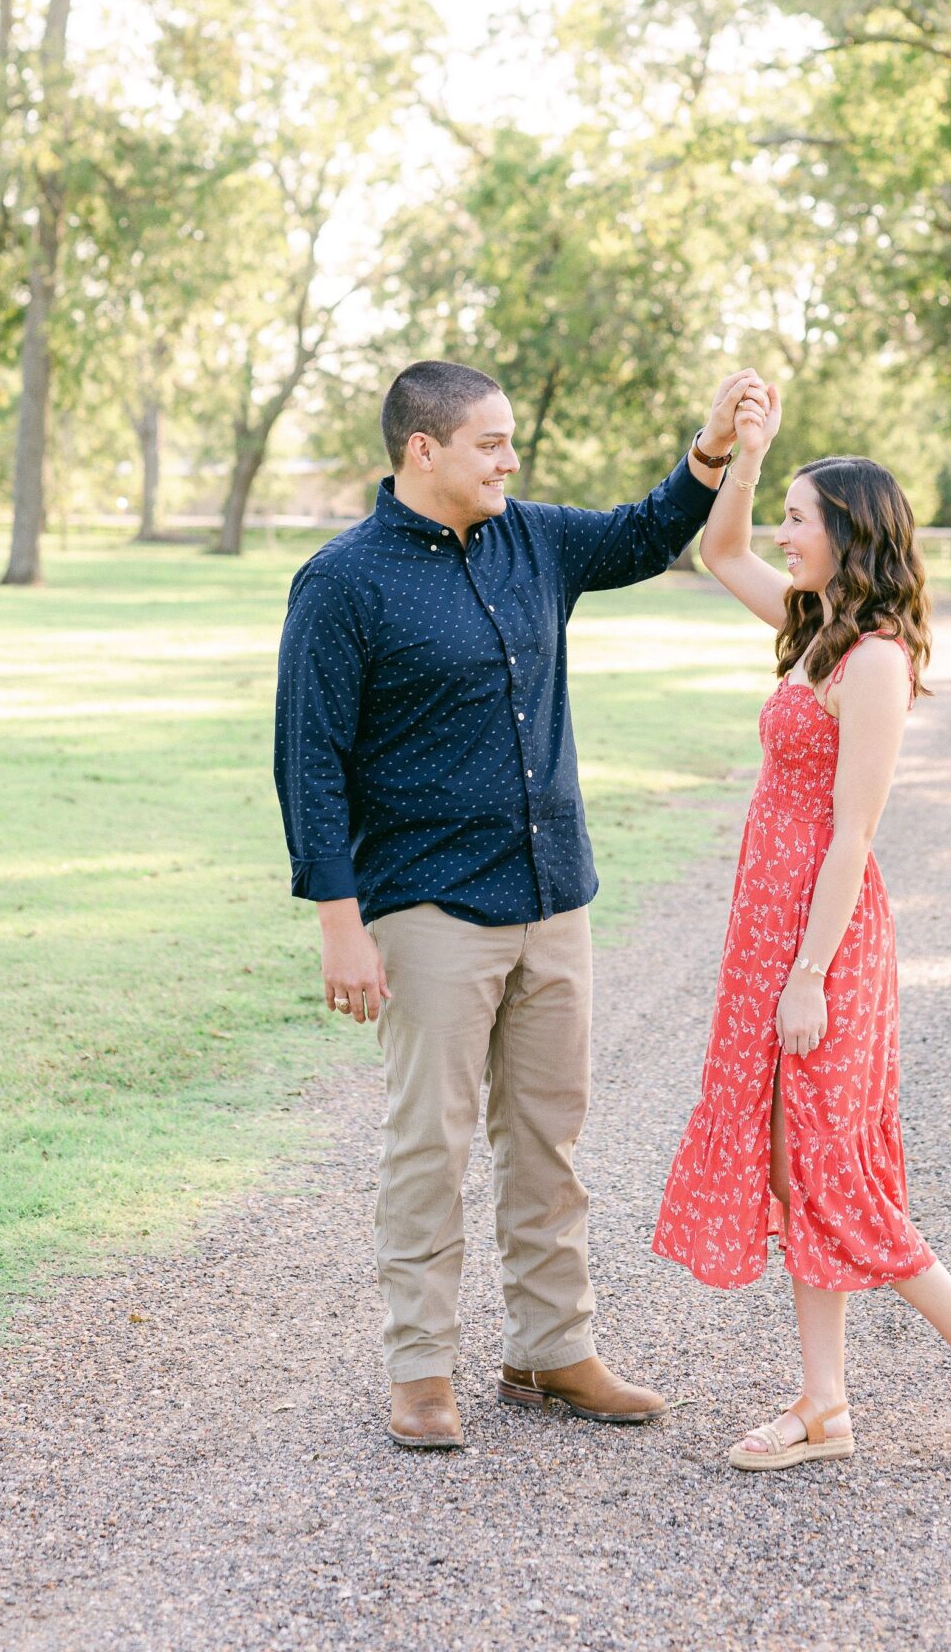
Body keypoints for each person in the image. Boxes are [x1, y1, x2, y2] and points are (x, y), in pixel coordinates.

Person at [275, 356, 769, 1450]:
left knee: (548, 1138)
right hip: (428, 907)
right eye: (490, 442)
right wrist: (337, 922)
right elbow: (310, 761)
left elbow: (647, 534)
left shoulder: (531, 538)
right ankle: (420, 1371)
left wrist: (709, 446)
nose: (510, 458)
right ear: (423, 450)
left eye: (509, 441)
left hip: (552, 895)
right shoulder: (341, 583)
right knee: (429, 1146)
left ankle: (552, 1351)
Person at [653, 383, 951, 1471]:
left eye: (798, 516)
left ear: (848, 533)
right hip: (768, 932)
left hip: (823, 940)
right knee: (786, 1163)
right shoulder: (815, 629)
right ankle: (823, 1404)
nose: (781, 531)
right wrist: (745, 448)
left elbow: (850, 834)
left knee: (829, 1165)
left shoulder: (870, 662)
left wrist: (809, 973)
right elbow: (714, 550)